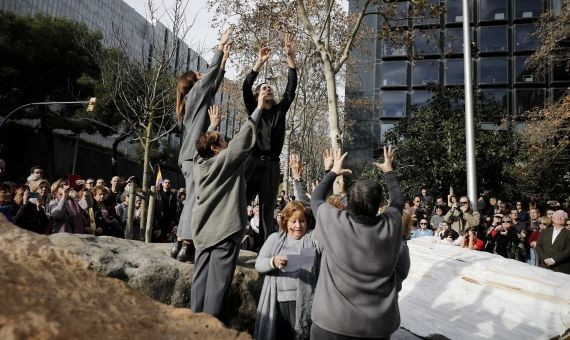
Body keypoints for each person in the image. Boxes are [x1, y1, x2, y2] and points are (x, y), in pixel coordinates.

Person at [309, 146, 406, 339]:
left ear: (348, 203)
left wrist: (332, 172)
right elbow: (397, 202)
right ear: (379, 205)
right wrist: (389, 172)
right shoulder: (392, 225)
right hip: (377, 327)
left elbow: (316, 198)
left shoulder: (334, 222)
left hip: (331, 323)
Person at [190, 99, 261, 317]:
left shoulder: (198, 165)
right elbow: (242, 141)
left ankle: (192, 327)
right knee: (216, 290)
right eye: (222, 141)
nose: (227, 143)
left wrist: (212, 127)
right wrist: (257, 107)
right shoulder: (225, 162)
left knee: (199, 283)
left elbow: (198, 151)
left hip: (202, 234)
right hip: (224, 232)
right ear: (215, 149)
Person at [173, 28, 232, 262]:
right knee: (195, 196)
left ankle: (178, 244)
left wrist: (225, 61)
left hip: (190, 157)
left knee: (194, 196)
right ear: (192, 82)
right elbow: (208, 81)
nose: (202, 76)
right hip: (193, 158)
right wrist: (219, 47)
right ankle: (187, 244)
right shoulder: (194, 95)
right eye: (199, 75)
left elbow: (213, 84)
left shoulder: (196, 100)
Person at [242, 34, 297, 243]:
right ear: (257, 96)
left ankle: (265, 250)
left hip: (272, 166)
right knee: (240, 202)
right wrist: (259, 62)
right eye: (264, 88)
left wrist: (290, 57)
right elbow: (246, 87)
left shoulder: (279, 111)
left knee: (267, 211)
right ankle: (234, 241)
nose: (269, 89)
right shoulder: (253, 109)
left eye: (270, 88)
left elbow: (291, 89)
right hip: (252, 162)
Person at [254, 201, 319, 340]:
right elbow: (259, 263)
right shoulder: (275, 239)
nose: (298, 226)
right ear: (285, 221)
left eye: (302, 221)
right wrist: (273, 262)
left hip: (307, 301)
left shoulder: (313, 239)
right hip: (280, 302)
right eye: (293, 221)